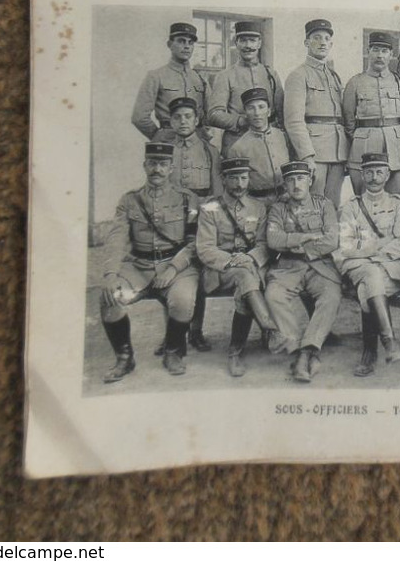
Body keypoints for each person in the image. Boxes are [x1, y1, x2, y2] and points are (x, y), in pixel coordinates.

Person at [99, 142, 200, 381]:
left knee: (183, 300)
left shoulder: (188, 200)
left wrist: (174, 267)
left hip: (177, 267)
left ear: (171, 168)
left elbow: (195, 242)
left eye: (163, 164)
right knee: (109, 299)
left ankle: (173, 351)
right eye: (153, 163)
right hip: (138, 267)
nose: (157, 169)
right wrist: (110, 274)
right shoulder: (129, 200)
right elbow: (116, 238)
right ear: (145, 166)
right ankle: (125, 359)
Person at [196, 156, 288, 377]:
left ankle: (235, 351)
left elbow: (264, 243)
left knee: (249, 281)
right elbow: (205, 248)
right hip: (220, 270)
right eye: (234, 178)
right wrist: (235, 261)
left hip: (252, 266)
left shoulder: (258, 207)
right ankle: (270, 330)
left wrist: (252, 258)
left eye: (244, 178)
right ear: (224, 179)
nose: (239, 184)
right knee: (246, 276)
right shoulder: (210, 208)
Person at [154, 94, 223, 352]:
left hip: (199, 218)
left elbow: (215, 192)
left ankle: (196, 331)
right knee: (168, 272)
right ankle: (171, 334)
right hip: (171, 220)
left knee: (199, 272)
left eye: (188, 116)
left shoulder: (209, 150)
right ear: (170, 121)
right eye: (177, 117)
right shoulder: (164, 150)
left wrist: (208, 219)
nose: (183, 121)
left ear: (196, 120)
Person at [264, 161, 342, 383]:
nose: (296, 184)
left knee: (331, 296)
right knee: (273, 295)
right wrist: (301, 238)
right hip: (289, 267)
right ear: (285, 184)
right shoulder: (279, 208)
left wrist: (298, 247)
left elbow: (332, 239)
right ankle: (298, 348)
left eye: (300, 179)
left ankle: (308, 350)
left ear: (309, 181)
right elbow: (273, 239)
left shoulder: (324, 205)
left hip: (320, 266)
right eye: (290, 180)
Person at [336, 152, 400, 377]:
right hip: (359, 265)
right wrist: (376, 248)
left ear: (387, 175)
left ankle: (370, 352)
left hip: (391, 266)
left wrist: (370, 252)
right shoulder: (351, 207)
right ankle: (389, 342)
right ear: (361, 174)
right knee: (371, 275)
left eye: (379, 172)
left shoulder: (399, 204)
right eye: (369, 172)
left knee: (367, 289)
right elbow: (344, 245)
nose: (374, 177)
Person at [283, 19, 349, 210]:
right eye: (317, 37)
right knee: (312, 206)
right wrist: (307, 156)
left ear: (331, 44)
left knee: (332, 206)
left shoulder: (333, 76)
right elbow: (294, 120)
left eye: (327, 38)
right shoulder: (298, 75)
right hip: (315, 152)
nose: (322, 42)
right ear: (306, 42)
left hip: (337, 153)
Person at [342, 31, 400, 198]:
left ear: (391, 55)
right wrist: (362, 135)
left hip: (397, 147)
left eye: (384, 51)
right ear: (368, 52)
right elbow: (348, 119)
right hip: (364, 145)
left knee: (398, 197)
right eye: (375, 50)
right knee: (365, 198)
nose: (379, 55)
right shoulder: (355, 82)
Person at [206, 21, 283, 155]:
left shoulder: (270, 74)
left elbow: (281, 111)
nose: (248, 46)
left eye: (252, 40)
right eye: (243, 40)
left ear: (259, 43)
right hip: (237, 141)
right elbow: (213, 115)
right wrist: (241, 121)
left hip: (268, 144)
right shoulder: (225, 76)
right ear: (236, 43)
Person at [131, 22, 209, 140]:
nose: (186, 46)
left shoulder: (199, 78)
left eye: (190, 43)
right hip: (169, 142)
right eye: (181, 41)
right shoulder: (156, 76)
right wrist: (160, 136)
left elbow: (210, 113)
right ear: (170, 44)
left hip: (197, 141)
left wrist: (204, 132)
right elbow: (139, 117)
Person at [228, 88, 292, 204]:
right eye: (251, 108)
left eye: (261, 107)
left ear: (268, 111)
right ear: (245, 113)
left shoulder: (282, 136)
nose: (257, 113)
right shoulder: (238, 148)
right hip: (257, 203)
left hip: (285, 200)